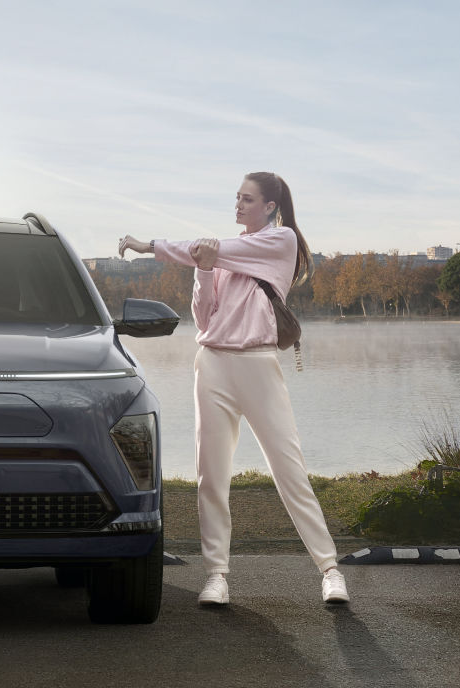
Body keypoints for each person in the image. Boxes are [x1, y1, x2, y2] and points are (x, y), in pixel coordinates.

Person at [118, 171, 347, 607]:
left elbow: (221, 250)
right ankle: (217, 576)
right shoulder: (219, 254)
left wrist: (148, 245)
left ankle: (330, 570)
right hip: (213, 365)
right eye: (236, 198)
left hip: (258, 364)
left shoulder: (281, 242)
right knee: (211, 475)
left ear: (270, 207)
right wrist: (203, 271)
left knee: (289, 469)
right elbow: (204, 318)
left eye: (247, 199)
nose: (238, 206)